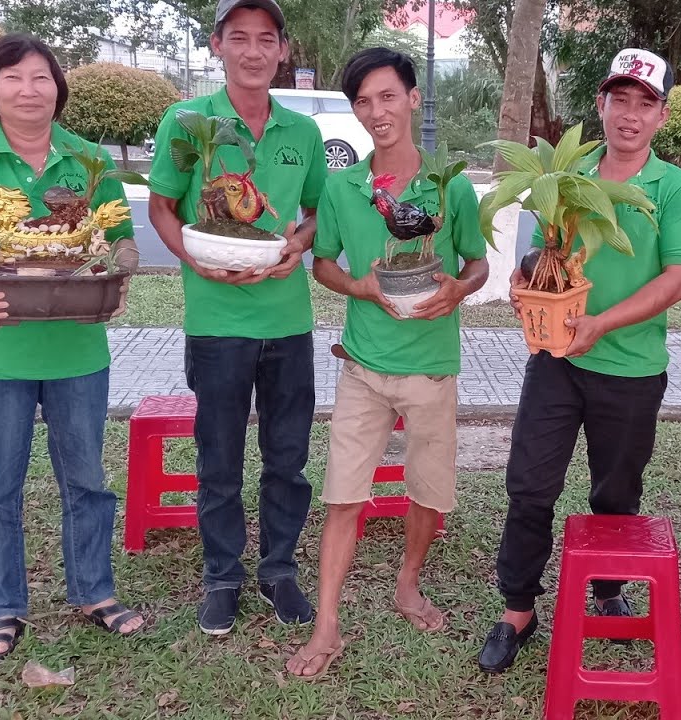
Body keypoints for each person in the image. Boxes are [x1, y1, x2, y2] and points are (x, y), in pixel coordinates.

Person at [0, 33, 145, 661]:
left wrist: (118, 281)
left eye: (41, 77)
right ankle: (6, 606)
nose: (28, 89)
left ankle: (93, 591)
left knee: (88, 482)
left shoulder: (88, 161)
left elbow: (121, 246)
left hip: (76, 351)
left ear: (58, 89)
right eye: (13, 77)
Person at [477, 48, 681, 675]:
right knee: (529, 485)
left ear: (661, 114)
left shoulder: (676, 187)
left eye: (645, 103)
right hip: (556, 360)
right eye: (619, 100)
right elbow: (536, 258)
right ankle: (518, 609)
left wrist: (601, 323)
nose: (630, 115)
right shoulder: (568, 178)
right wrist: (529, 284)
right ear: (600, 105)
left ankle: (606, 592)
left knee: (616, 490)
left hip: (631, 367)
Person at [284, 47, 489, 678]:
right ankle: (326, 626)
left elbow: (476, 263)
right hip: (364, 367)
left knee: (428, 491)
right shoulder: (345, 189)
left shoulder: (448, 184)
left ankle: (407, 583)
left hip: (432, 367)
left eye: (388, 97)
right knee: (344, 495)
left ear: (413, 98)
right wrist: (364, 288)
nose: (377, 112)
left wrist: (458, 289)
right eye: (363, 102)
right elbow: (322, 263)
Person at [147, 0, 326, 635]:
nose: (253, 51)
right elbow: (163, 206)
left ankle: (279, 570)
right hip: (217, 321)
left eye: (266, 40)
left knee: (287, 459)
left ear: (282, 50)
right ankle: (222, 576)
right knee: (218, 459)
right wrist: (194, 259)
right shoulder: (188, 119)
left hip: (287, 323)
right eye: (239, 38)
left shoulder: (302, 134)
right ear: (217, 45)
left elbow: (314, 214)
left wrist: (296, 248)